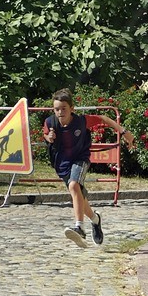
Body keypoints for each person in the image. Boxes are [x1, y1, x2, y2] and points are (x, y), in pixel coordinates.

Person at [43, 89, 101, 246]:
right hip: (62, 164)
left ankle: (79, 227)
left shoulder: (81, 121)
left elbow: (104, 119)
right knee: (80, 197)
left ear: (72, 109)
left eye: (64, 108)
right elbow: (46, 134)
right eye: (57, 109)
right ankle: (95, 219)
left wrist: (123, 132)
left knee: (74, 186)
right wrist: (49, 137)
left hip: (80, 159)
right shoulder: (50, 122)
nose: (60, 112)